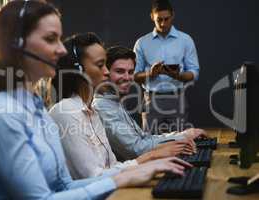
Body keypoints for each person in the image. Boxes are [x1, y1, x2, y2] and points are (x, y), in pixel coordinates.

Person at [0, 1, 191, 199]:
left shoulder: (35, 107)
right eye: (51, 39)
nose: (61, 50)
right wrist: (126, 176)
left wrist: (134, 171)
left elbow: (65, 187)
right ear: (17, 44)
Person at [49, 32, 191, 180]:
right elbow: (93, 178)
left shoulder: (92, 112)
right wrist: (151, 157)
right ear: (78, 71)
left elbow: (112, 165)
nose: (106, 72)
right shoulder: (65, 112)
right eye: (100, 65)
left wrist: (154, 162)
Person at [93, 46, 206, 161]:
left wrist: (183, 135)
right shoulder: (102, 106)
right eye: (119, 71)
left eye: (131, 72)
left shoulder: (113, 102)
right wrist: (182, 137)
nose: (127, 77)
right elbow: (136, 149)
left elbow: (144, 138)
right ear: (105, 73)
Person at [134, 0, 200, 134]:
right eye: (159, 20)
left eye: (166, 19)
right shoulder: (142, 43)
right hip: (150, 100)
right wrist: (150, 74)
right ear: (152, 16)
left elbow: (194, 72)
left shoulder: (185, 40)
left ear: (173, 15)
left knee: (181, 144)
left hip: (177, 99)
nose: (163, 23)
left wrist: (178, 75)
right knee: (148, 144)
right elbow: (134, 75)